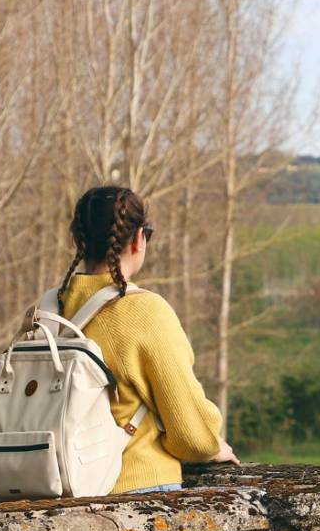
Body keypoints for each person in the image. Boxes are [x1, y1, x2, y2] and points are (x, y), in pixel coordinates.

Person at [55, 184, 238, 495]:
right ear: (139, 238)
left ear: (78, 240)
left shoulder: (46, 311)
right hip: (135, 489)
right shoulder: (143, 311)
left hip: (58, 487)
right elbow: (189, 435)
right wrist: (212, 443)